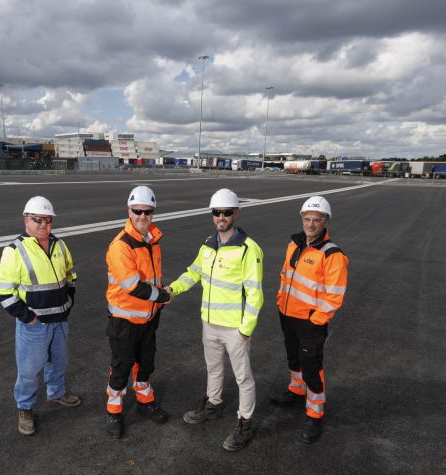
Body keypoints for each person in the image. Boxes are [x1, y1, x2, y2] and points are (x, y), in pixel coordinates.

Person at [168, 188, 264, 452]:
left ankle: (245, 423)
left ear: (236, 213)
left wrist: (246, 329)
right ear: (212, 215)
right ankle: (213, 404)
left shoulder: (248, 249)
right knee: (214, 369)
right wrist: (172, 290)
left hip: (235, 327)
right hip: (209, 323)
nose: (221, 217)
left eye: (226, 212)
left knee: (243, 378)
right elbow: (193, 273)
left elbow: (255, 293)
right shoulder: (208, 244)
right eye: (216, 213)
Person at [0, 196, 81, 436]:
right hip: (35, 326)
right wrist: (27, 317)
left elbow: (70, 275)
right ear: (26, 220)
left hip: (60, 321)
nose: (43, 224)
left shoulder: (60, 245)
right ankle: (25, 408)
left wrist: (69, 300)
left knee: (59, 363)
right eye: (37, 219)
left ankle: (57, 392)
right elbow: (3, 291)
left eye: (47, 220)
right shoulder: (15, 251)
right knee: (29, 371)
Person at [272, 196, 348, 444]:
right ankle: (295, 390)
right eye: (307, 219)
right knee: (293, 358)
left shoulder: (332, 254)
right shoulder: (294, 244)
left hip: (310, 322)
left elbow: (334, 295)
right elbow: (285, 275)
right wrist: (280, 298)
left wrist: (317, 320)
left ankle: (315, 413)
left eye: (317, 219)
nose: (311, 224)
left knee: (311, 367)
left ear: (325, 221)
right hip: (288, 315)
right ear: (302, 219)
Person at [104, 186, 172, 438]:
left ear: (153, 213)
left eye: (147, 212)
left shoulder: (152, 241)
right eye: (137, 211)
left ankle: (144, 401)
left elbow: (152, 279)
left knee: (145, 363)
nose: (142, 216)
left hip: (149, 317)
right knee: (121, 366)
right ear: (129, 211)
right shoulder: (120, 245)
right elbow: (132, 285)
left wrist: (158, 296)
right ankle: (114, 410)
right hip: (124, 320)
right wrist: (163, 295)